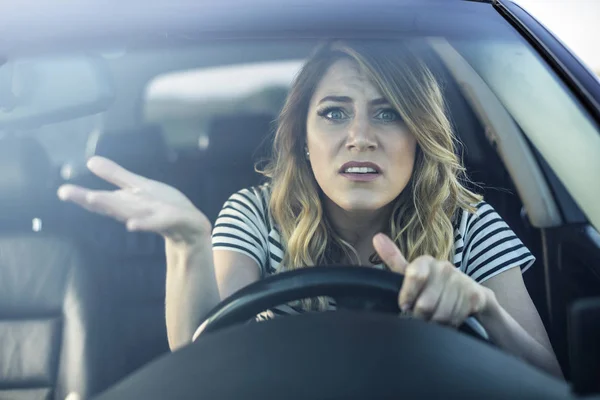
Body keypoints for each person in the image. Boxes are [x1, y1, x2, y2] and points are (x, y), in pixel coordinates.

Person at [57, 40, 563, 378]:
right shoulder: (254, 214)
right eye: (334, 113)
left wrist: (482, 308)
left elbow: (552, 381)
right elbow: (201, 364)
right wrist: (189, 243)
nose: (360, 137)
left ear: (420, 136)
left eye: (388, 113)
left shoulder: (469, 223)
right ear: (303, 139)